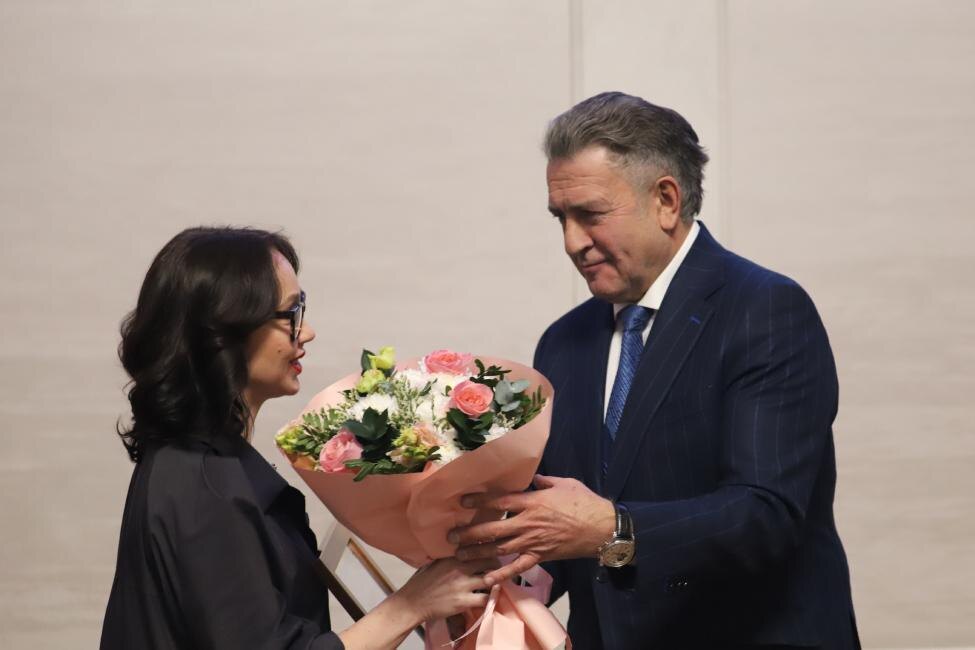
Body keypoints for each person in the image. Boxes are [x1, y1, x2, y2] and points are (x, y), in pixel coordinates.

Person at [449, 92, 859, 648]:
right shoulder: (564, 341)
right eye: (560, 218)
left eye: (590, 215)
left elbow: (766, 515)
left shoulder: (764, 309)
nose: (572, 242)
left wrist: (613, 529)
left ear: (666, 200)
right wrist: (491, 575)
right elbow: (562, 521)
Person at [101, 227, 493, 650]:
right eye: (291, 313)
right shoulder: (202, 483)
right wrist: (412, 605)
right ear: (225, 328)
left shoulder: (203, 464)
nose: (306, 332)